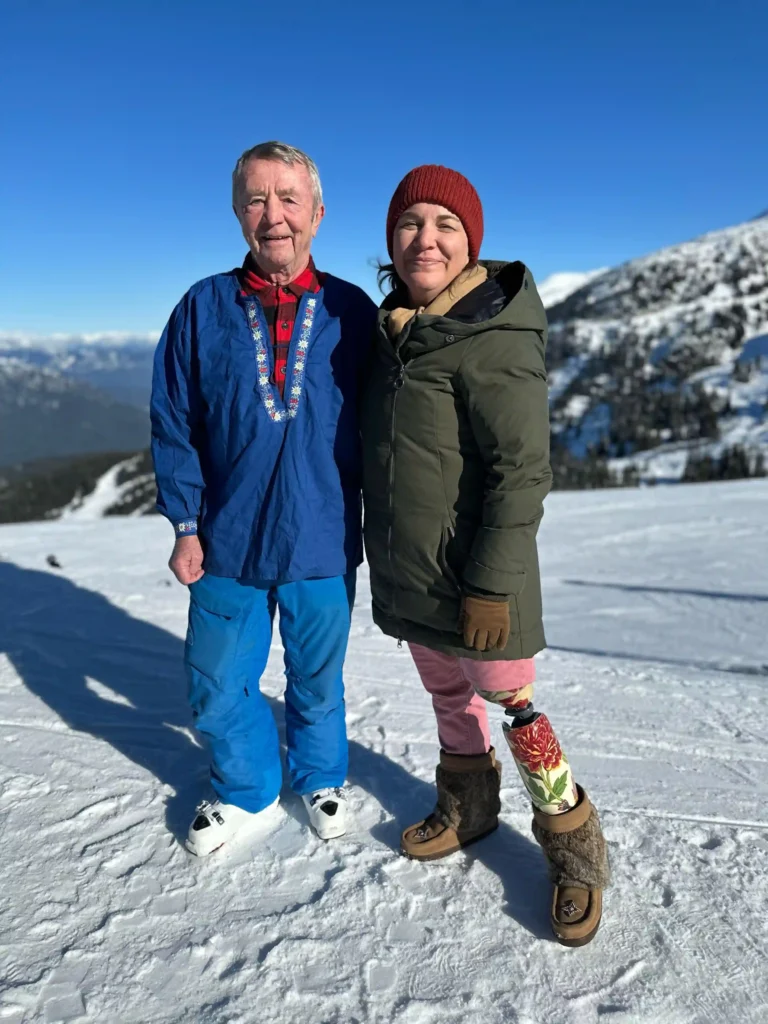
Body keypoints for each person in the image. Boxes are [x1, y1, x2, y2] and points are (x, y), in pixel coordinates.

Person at [361, 165, 610, 946]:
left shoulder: (491, 334)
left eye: (444, 223)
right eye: (409, 223)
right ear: (391, 240)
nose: (424, 238)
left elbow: (522, 472)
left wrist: (494, 586)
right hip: (415, 575)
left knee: (515, 703)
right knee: (445, 698)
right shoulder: (397, 329)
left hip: (478, 583)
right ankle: (468, 807)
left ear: (471, 241)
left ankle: (574, 848)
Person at [151, 141, 376, 856]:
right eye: (255, 199)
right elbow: (175, 421)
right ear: (237, 213)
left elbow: (393, 426)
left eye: (287, 198)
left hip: (323, 533)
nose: (272, 215)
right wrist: (186, 522)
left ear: (317, 212)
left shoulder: (354, 312)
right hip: (227, 536)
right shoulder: (201, 308)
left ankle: (319, 775)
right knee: (218, 679)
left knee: (316, 676)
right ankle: (247, 790)